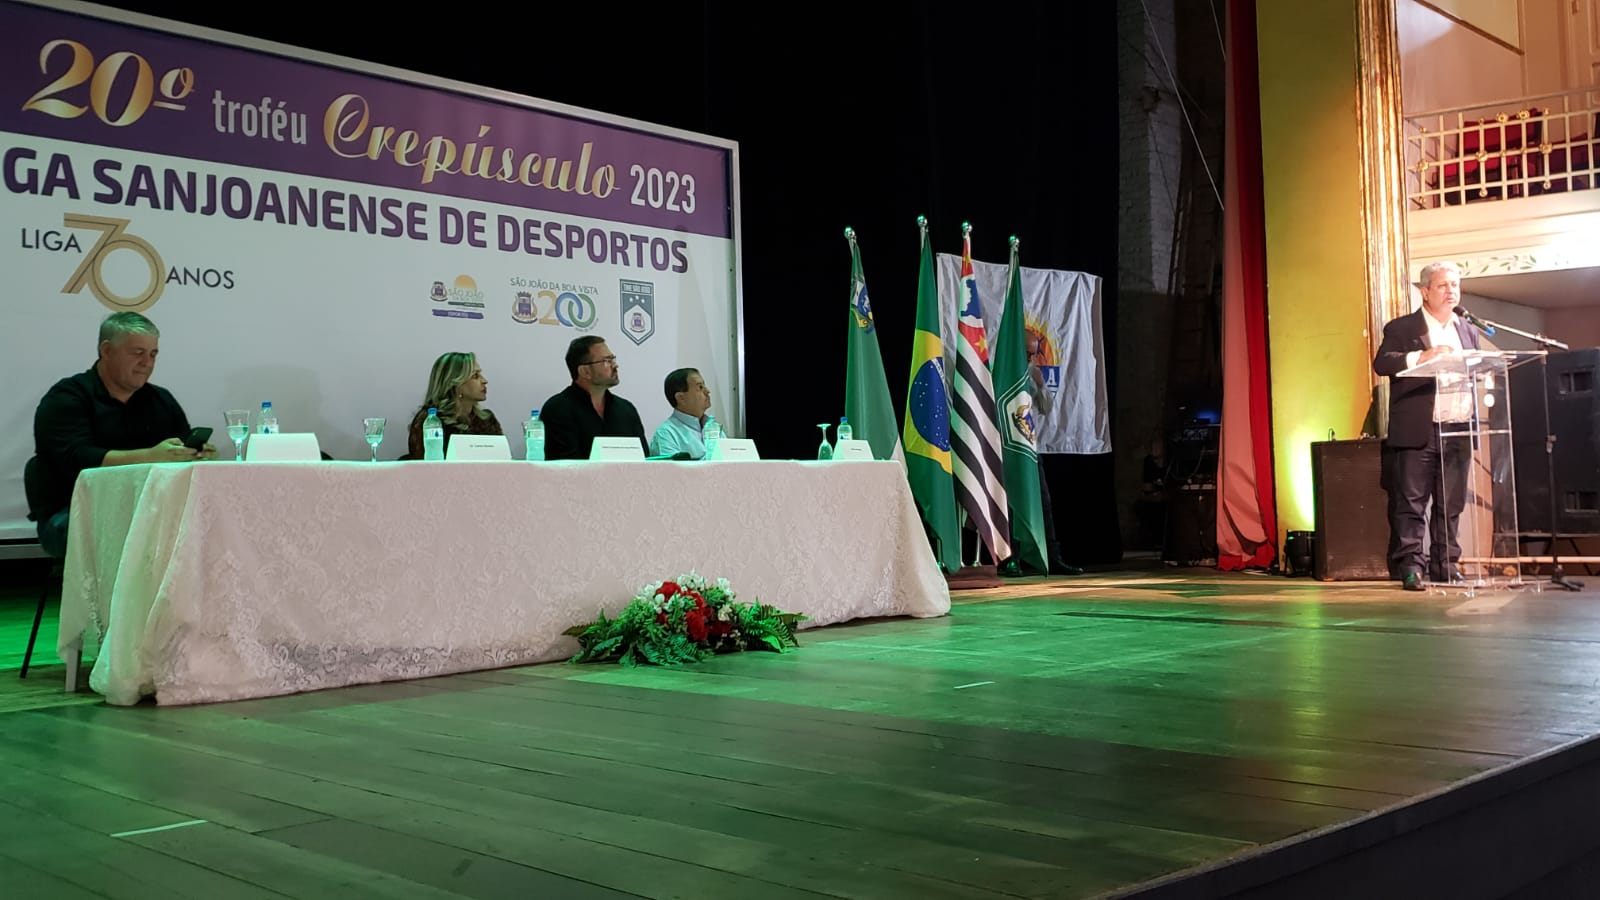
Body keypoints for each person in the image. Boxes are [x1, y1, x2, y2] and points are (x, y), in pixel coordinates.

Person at [31, 311, 215, 557]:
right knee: (147, 533)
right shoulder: (66, 398)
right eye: (138, 353)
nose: (147, 362)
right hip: (74, 510)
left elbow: (180, 446)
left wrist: (196, 455)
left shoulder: (160, 399)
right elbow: (77, 459)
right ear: (106, 351)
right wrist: (150, 456)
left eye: (153, 354)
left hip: (151, 507)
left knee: (213, 522)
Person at [1373, 261, 1482, 590]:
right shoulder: (1403, 328)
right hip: (1420, 429)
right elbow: (1382, 363)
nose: (1451, 291)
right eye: (1443, 285)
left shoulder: (1468, 330)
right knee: (1412, 503)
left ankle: (1446, 564)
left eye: (1455, 285)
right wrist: (1420, 357)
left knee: (1451, 505)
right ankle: (1411, 566)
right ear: (1425, 292)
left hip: (1457, 427)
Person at [539, 336, 647, 460]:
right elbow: (564, 464)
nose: (615, 365)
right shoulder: (557, 409)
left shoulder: (626, 409)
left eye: (613, 359)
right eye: (607, 361)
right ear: (585, 371)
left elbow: (644, 460)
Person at [406, 352, 503, 459]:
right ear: (456, 384)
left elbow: (502, 460)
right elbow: (425, 465)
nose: (484, 381)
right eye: (475, 376)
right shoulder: (431, 421)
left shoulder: (487, 420)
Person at [650, 367, 713, 459]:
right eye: (700, 387)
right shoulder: (666, 434)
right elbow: (672, 468)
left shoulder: (713, 426)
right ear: (681, 398)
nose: (707, 391)